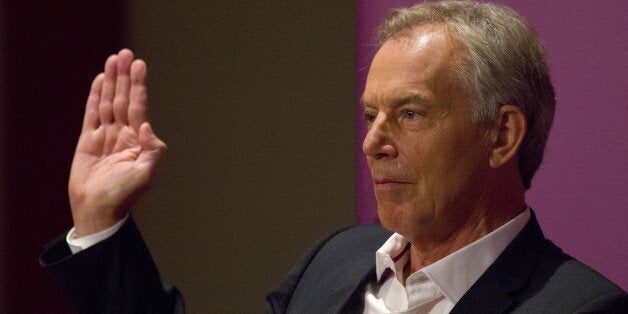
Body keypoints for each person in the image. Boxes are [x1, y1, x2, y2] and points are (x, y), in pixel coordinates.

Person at [41, 0, 627, 313]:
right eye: (371, 115)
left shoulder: (580, 307)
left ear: (501, 136)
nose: (374, 141)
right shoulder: (335, 262)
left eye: (410, 113)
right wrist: (100, 225)